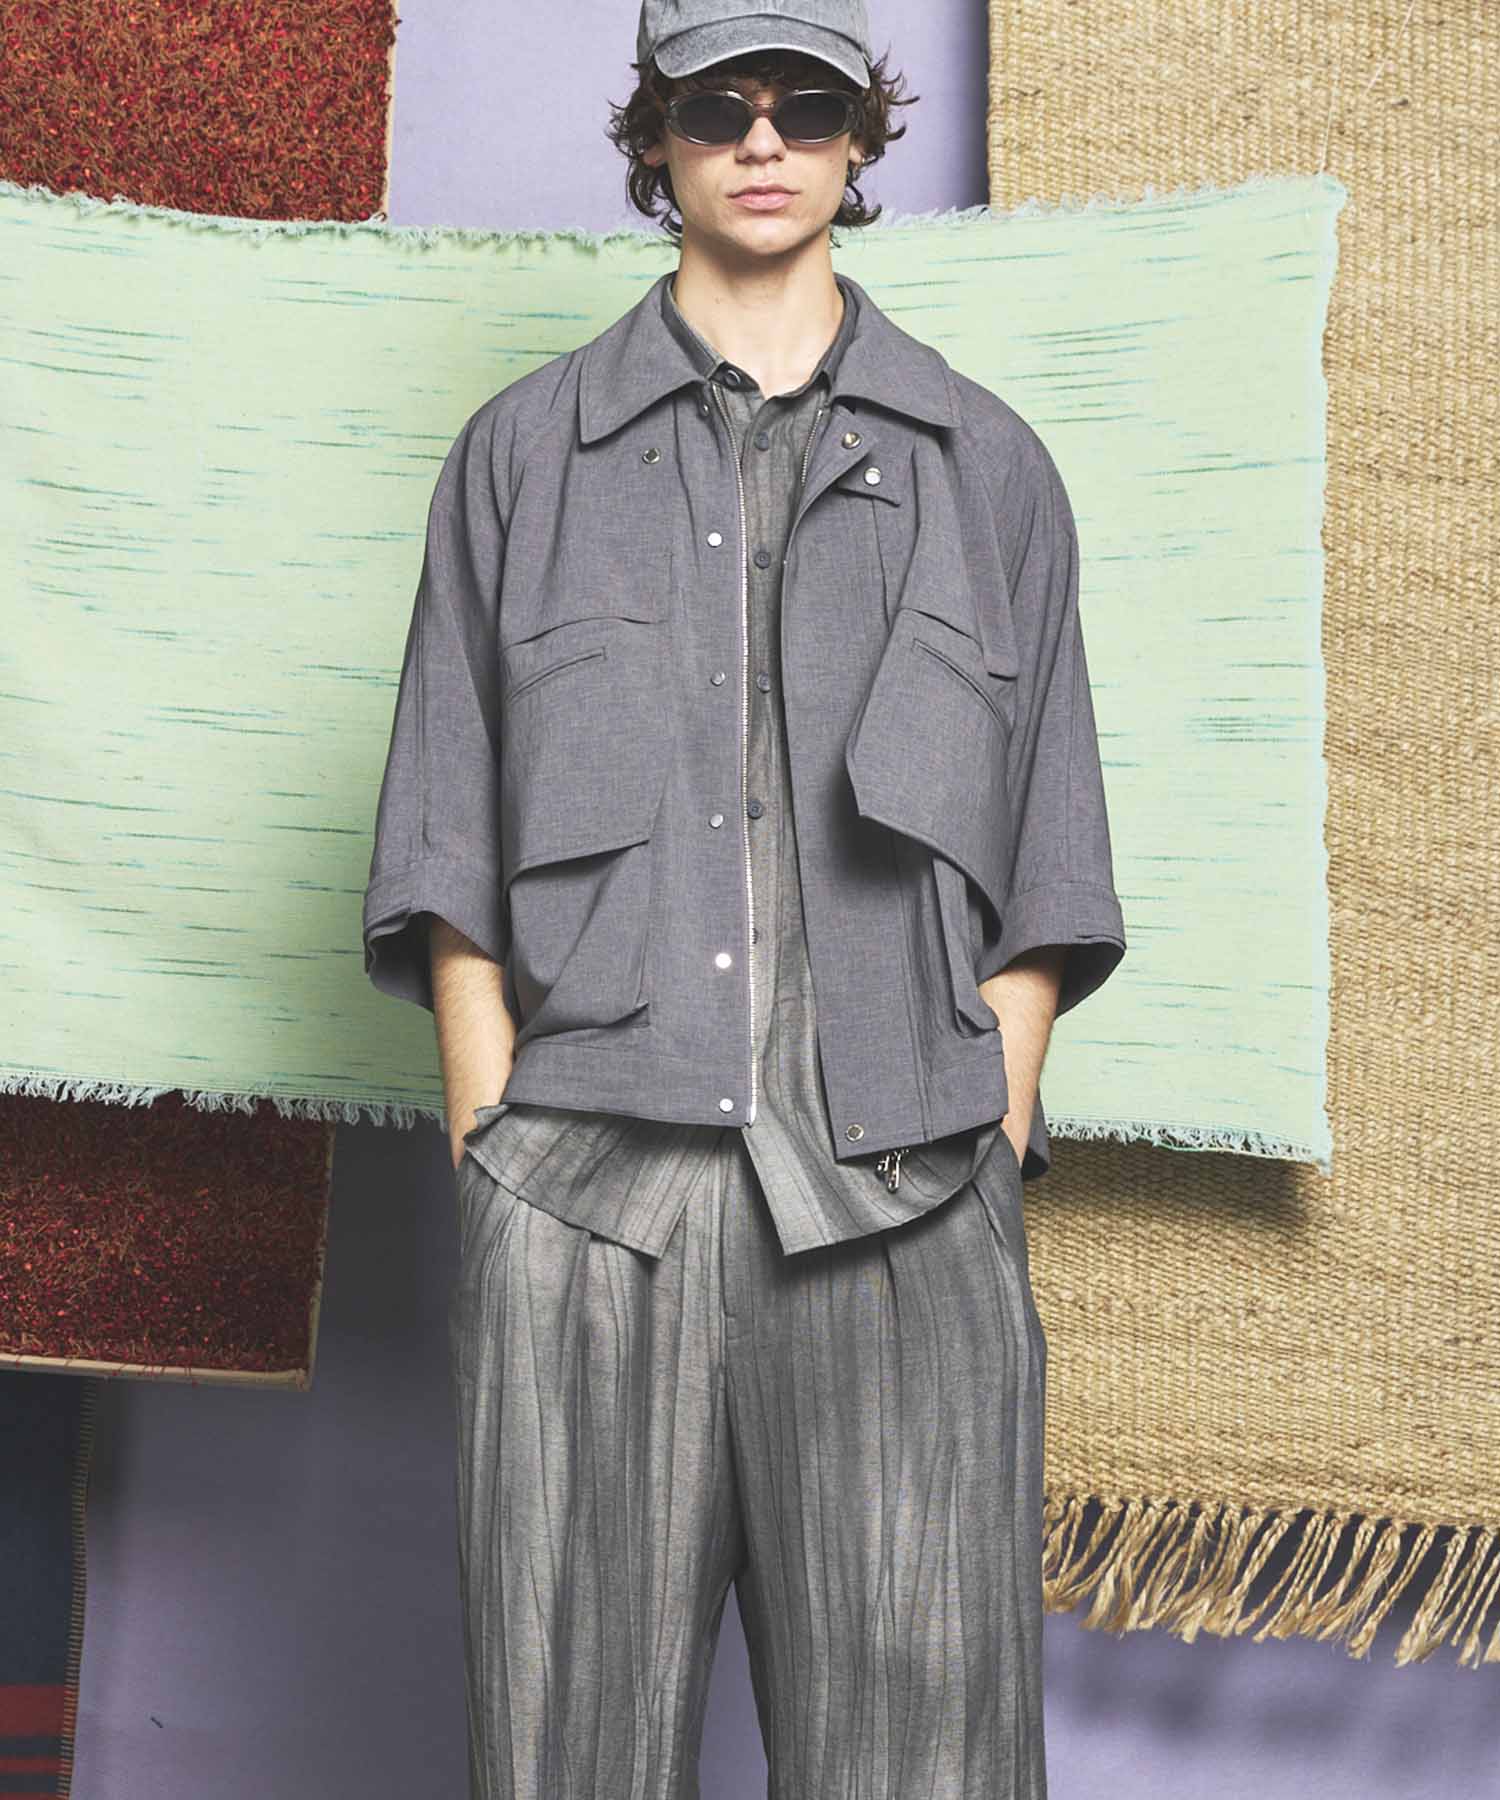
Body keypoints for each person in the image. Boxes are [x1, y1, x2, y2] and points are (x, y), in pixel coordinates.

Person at [361, 2, 1126, 1793]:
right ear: (656, 137)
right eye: (719, 104)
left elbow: (1051, 841)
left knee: (926, 1768)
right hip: (588, 1208)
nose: (764, 139)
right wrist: (492, 1148)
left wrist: (994, 1116)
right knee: (564, 1762)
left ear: (864, 138)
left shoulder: (990, 468)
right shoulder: (521, 458)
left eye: (809, 103)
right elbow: (445, 835)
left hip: (903, 1212)